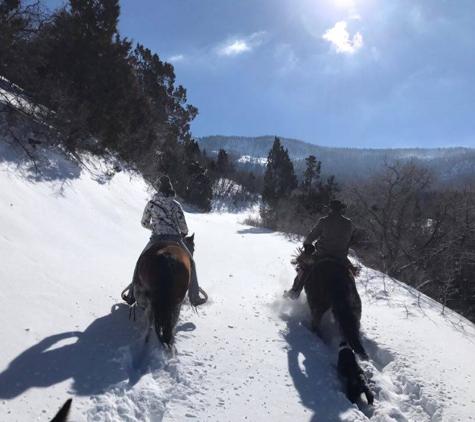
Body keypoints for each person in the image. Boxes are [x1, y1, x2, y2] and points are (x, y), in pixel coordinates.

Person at [122, 175, 207, 307]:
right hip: (175, 239)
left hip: (156, 239)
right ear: (171, 189)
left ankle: (132, 295)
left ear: (158, 189)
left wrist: (154, 227)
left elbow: (144, 223)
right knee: (191, 263)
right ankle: (194, 297)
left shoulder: (151, 204)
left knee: (140, 262)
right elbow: (183, 225)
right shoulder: (176, 205)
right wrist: (183, 233)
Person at [286, 199, 356, 299]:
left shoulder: (323, 221)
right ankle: (352, 298)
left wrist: (307, 243)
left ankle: (295, 291)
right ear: (341, 210)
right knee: (351, 275)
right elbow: (347, 239)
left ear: (330, 209)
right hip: (341, 256)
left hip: (322, 254)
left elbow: (311, 236)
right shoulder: (348, 223)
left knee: (305, 267)